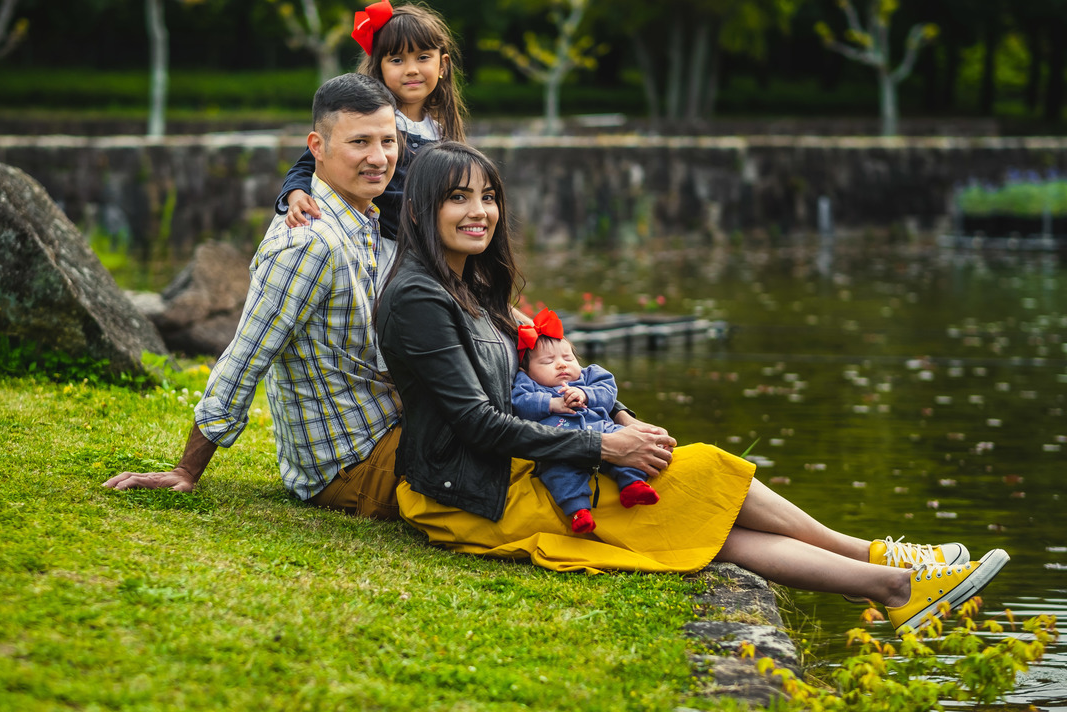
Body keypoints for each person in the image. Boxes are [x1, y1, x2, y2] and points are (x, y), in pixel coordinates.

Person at [374, 140, 1010, 633]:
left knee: (703, 491)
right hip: (468, 496)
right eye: (459, 198)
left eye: (488, 196)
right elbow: (475, 423)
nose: (479, 211)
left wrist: (620, 420)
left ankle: (884, 571)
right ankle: (890, 579)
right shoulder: (419, 300)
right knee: (702, 494)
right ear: (426, 210)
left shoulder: (475, 284)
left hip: (513, 468)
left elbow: (536, 377)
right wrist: (607, 450)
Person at [104, 73, 404, 519]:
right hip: (355, 463)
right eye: (360, 142)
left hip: (387, 430)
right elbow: (245, 356)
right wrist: (186, 471)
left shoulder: (363, 223)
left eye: (388, 141)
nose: (378, 158)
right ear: (316, 148)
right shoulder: (309, 243)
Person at [275, 0, 468, 245]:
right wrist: (296, 194)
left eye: (423, 57)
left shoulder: (441, 131)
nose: (411, 69)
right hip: (380, 244)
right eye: (397, 60)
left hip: (429, 249)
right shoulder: (367, 124)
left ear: (442, 65)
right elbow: (306, 164)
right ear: (380, 67)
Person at [511, 307, 659, 535]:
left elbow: (609, 392)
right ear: (526, 370)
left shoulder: (589, 376)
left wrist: (587, 394)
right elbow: (520, 404)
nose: (561, 364)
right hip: (561, 444)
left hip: (603, 432)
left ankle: (633, 485)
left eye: (567, 357)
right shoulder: (528, 385)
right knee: (558, 473)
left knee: (625, 446)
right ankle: (578, 511)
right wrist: (552, 404)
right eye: (548, 361)